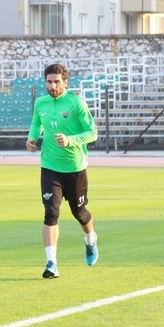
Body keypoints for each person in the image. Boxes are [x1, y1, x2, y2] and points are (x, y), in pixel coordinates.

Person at [26, 63, 99, 279]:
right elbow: (36, 123)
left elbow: (92, 133)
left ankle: (90, 239)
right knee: (51, 212)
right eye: (49, 81)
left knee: (80, 213)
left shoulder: (76, 103)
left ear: (65, 82)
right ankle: (51, 263)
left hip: (75, 168)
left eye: (57, 82)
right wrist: (32, 138)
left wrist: (71, 140)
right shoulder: (41, 103)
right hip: (50, 167)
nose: (53, 86)